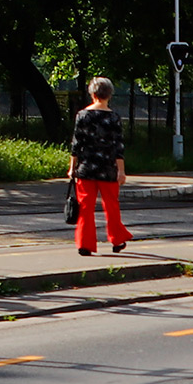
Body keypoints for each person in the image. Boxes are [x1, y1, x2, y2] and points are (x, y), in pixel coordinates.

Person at [66, 76, 132, 255]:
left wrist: (72, 167)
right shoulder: (114, 118)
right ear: (109, 94)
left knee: (85, 208)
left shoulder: (82, 115)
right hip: (108, 169)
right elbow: (118, 147)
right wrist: (121, 171)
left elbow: (76, 144)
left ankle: (85, 244)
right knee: (111, 206)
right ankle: (117, 239)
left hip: (86, 168)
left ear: (92, 94)